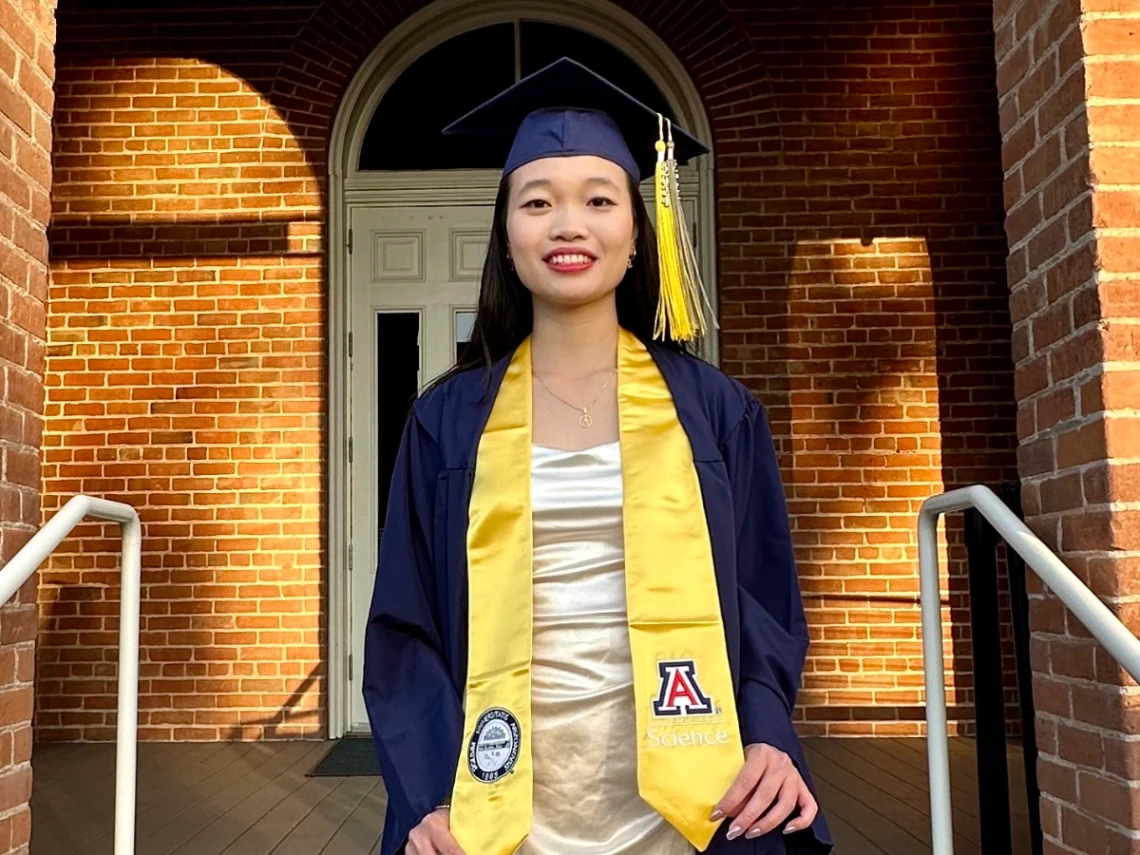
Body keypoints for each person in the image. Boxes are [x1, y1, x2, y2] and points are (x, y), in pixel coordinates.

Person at [363, 57, 832, 855]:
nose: (568, 224)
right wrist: (428, 793)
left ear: (636, 234)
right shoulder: (447, 421)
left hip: (699, 797)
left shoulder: (716, 411)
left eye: (599, 200)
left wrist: (766, 732)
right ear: (507, 237)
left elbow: (763, 601)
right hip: (493, 802)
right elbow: (405, 630)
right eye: (537, 202)